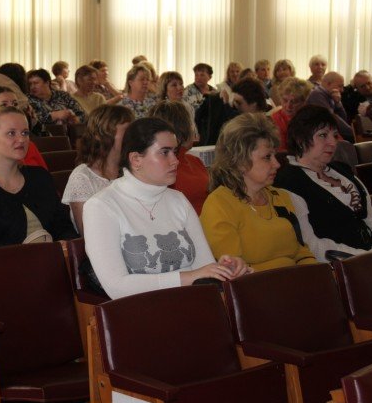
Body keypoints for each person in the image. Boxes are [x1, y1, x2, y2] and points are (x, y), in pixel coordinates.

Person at [82, 117, 250, 300]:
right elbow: (117, 287)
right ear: (136, 159)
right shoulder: (100, 206)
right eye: (164, 152)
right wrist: (189, 277)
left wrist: (224, 269)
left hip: (192, 302)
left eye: (175, 152)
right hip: (140, 310)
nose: (175, 161)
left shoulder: (178, 200)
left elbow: (204, 267)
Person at [274, 106, 372, 262]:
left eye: (335, 135)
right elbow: (310, 244)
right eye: (323, 135)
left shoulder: (342, 170)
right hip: (340, 265)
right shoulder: (289, 181)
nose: (332, 142)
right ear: (300, 140)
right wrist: (365, 257)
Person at [200, 113, 318, 271]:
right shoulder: (219, 205)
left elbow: (302, 253)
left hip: (298, 280)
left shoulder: (281, 197)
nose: (277, 164)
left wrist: (316, 276)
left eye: (274, 155)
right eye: (267, 157)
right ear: (240, 161)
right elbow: (234, 270)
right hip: (256, 284)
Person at [0, 106, 77, 248]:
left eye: (25, 133)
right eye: (11, 133)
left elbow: (64, 226)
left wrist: (64, 243)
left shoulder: (40, 177)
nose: (21, 139)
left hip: (53, 257)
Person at [62, 104, 134, 234]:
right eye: (126, 131)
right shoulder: (82, 177)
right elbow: (88, 234)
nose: (134, 137)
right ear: (102, 135)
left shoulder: (133, 170)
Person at [150, 101, 209, 214]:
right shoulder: (161, 167)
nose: (194, 129)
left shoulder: (194, 160)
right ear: (183, 127)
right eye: (191, 123)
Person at [196, 77, 270, 146]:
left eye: (239, 103)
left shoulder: (262, 127)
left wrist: (226, 106)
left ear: (253, 104)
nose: (235, 106)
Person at [306, 71, 355, 142]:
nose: (342, 90)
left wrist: (338, 103)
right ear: (328, 84)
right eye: (340, 86)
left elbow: (343, 118)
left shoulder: (330, 95)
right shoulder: (316, 94)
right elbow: (331, 118)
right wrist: (352, 133)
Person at [270, 77, 312, 151]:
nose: (288, 106)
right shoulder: (275, 119)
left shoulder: (311, 117)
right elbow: (281, 151)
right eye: (285, 100)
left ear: (304, 102)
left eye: (294, 101)